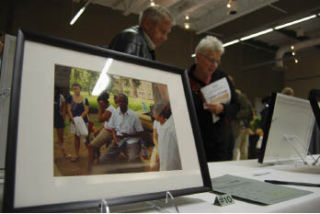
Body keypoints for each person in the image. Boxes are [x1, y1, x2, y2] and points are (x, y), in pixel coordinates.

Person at [188, 36, 240, 162]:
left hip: (222, 144)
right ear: (198, 57)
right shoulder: (186, 80)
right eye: (211, 60)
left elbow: (237, 106)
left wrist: (222, 109)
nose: (214, 65)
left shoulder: (222, 77)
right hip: (197, 145)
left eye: (217, 61)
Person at [109, 4, 174, 60]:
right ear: (147, 24)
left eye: (167, 33)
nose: (165, 38)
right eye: (162, 31)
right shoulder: (133, 39)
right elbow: (127, 71)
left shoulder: (140, 41)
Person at [100, 93, 144, 166]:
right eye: (118, 102)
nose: (120, 104)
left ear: (127, 102)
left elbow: (141, 132)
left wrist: (127, 135)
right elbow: (113, 127)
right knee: (103, 159)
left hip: (131, 141)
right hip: (119, 140)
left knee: (132, 159)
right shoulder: (116, 113)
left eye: (122, 102)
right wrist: (114, 136)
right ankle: (116, 172)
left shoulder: (134, 115)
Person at [87, 91, 116, 172]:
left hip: (109, 132)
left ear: (102, 103)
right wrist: (99, 130)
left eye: (99, 103)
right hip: (107, 129)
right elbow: (106, 123)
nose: (99, 105)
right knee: (93, 137)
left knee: (91, 146)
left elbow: (100, 119)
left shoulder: (109, 110)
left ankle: (89, 169)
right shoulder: (109, 108)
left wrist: (100, 108)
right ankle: (97, 159)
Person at [153, 99, 181, 171]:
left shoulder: (171, 127)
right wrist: (157, 150)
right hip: (160, 147)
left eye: (155, 114)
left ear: (161, 115)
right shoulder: (157, 122)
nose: (154, 116)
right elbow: (155, 137)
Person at [66, 83, 89, 162]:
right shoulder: (70, 98)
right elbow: (68, 109)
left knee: (85, 137)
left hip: (83, 121)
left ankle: (91, 154)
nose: (75, 90)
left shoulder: (85, 98)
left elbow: (86, 110)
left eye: (77, 88)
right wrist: (73, 119)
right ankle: (76, 154)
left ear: (80, 89)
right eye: (74, 89)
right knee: (76, 137)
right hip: (73, 121)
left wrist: (79, 119)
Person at [54, 86, 69, 159]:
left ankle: (64, 153)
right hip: (48, 118)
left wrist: (63, 116)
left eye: (54, 90)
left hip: (58, 118)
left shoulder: (60, 97)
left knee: (61, 137)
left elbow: (64, 107)